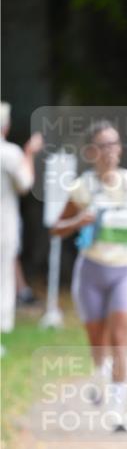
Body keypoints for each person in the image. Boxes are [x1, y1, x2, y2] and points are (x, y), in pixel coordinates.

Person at [51, 120, 127, 432]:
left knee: (119, 340)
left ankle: (117, 411)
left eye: (115, 144)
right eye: (103, 145)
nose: (111, 151)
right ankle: (100, 375)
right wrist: (77, 221)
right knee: (97, 341)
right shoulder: (81, 187)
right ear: (90, 152)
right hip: (91, 272)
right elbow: (56, 229)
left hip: (125, 270)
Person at [1, 101, 42, 339]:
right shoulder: (9, 153)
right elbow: (25, 183)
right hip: (4, 222)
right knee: (4, 275)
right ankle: (3, 328)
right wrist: (29, 153)